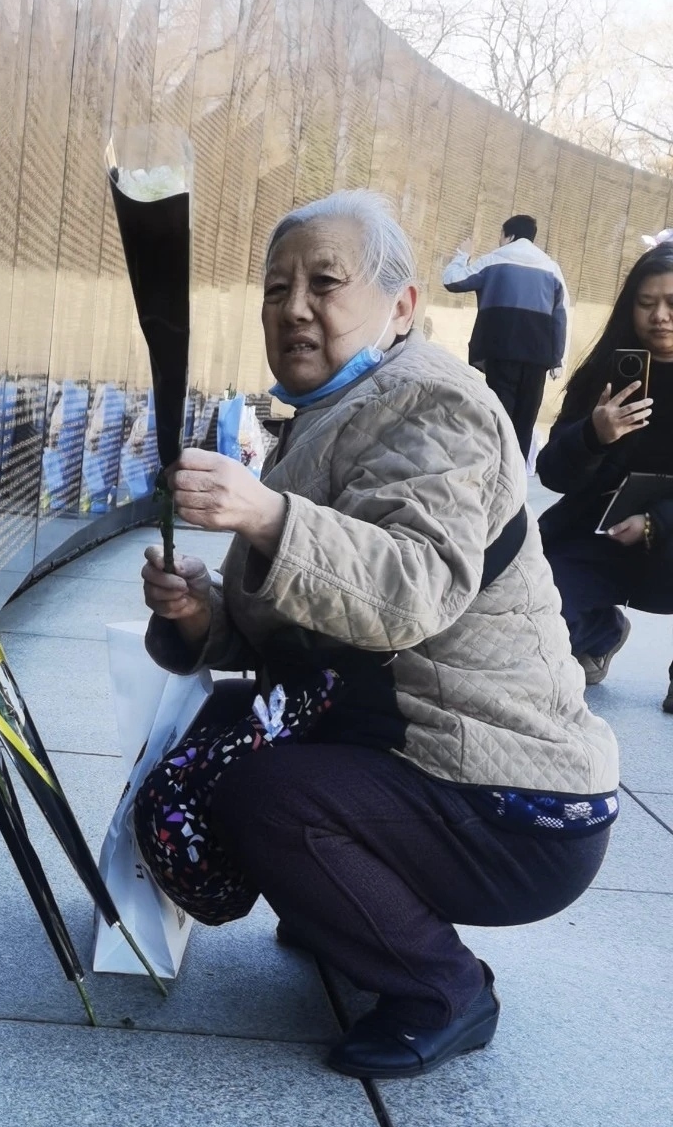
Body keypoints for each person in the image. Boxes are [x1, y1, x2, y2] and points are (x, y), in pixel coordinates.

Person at [137, 189, 617, 1081]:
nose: (294, 309)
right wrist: (200, 615)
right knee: (253, 769)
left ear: (403, 307)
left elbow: (411, 587)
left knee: (264, 795)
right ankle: (353, 914)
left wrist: (270, 515)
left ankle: (445, 992)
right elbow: (306, 639)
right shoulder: (327, 415)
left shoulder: (439, 407)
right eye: (277, 289)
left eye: (326, 282)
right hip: (434, 766)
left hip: (518, 801)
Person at [537, 243, 673, 705]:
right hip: (596, 535)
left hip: (670, 541)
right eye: (646, 302)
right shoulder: (605, 371)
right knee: (533, 620)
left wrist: (657, 523)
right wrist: (592, 436)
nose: (660, 316)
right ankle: (598, 631)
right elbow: (551, 473)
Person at [441, 213, 568, 457]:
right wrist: (556, 359)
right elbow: (561, 315)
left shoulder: (494, 261)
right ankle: (516, 482)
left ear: (508, 235)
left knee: (499, 419)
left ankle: (495, 473)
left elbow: (452, 280)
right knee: (525, 423)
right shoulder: (551, 268)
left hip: (501, 352)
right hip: (537, 358)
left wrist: (462, 255)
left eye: (500, 235)